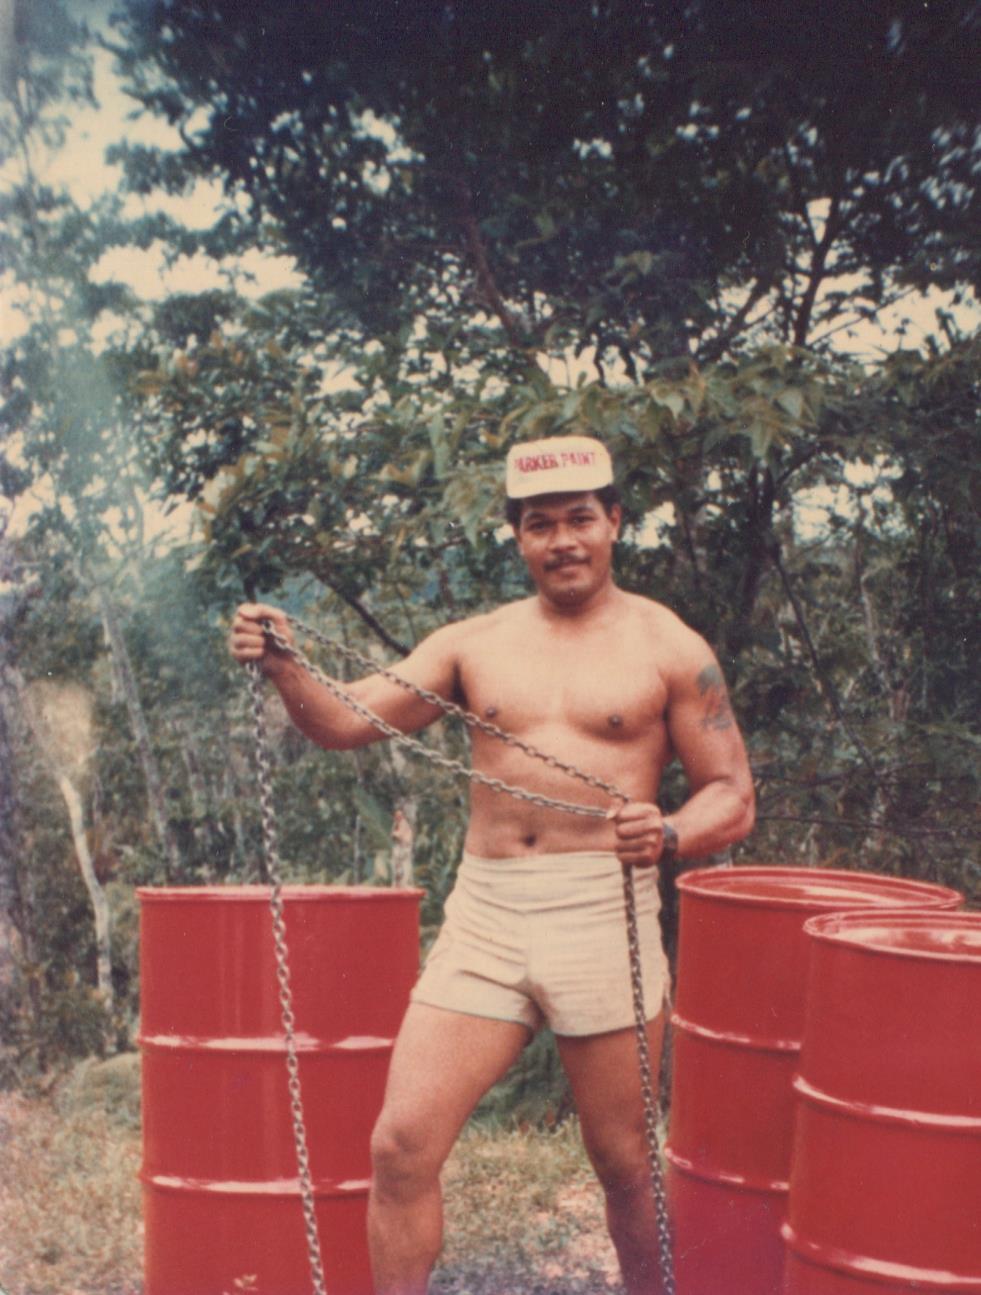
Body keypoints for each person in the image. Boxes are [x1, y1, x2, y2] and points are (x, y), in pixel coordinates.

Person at [229, 435, 755, 1295]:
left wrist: (665, 835)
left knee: (625, 1164)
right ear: (516, 537)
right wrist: (284, 662)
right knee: (400, 1145)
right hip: (487, 911)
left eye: (581, 517)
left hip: (602, 910)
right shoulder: (471, 643)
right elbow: (344, 721)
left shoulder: (669, 644)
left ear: (614, 521)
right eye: (539, 523)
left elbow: (730, 792)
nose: (563, 540)